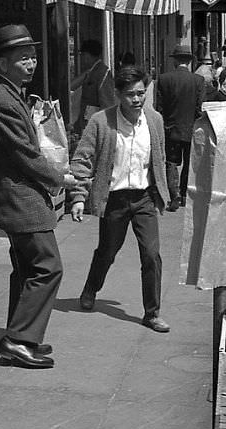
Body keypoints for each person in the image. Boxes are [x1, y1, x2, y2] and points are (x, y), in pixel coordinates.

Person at [0, 24, 68, 369]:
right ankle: (19, 339)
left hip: (21, 195)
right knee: (47, 266)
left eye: (32, 56)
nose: (31, 63)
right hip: (21, 198)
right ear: (3, 62)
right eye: (22, 57)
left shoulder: (11, 93)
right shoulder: (0, 100)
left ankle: (21, 334)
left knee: (28, 268)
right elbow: (26, 155)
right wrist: (62, 179)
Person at [70, 65, 171, 333]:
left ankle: (152, 313)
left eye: (141, 93)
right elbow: (82, 159)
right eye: (130, 94)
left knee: (151, 255)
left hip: (144, 198)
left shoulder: (154, 120)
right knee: (107, 251)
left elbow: (158, 158)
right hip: (114, 199)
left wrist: (164, 191)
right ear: (117, 94)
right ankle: (91, 288)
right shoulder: (101, 122)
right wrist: (79, 196)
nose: (137, 100)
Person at [155, 44, 205, 211]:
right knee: (189, 164)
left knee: (171, 162)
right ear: (189, 62)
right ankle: (184, 194)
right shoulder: (198, 81)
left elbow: (159, 108)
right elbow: (200, 108)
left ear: (175, 61)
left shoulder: (163, 79)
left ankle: (173, 194)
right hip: (191, 129)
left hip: (171, 128)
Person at [70, 38, 115, 134]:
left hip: (97, 123)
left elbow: (107, 102)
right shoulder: (91, 72)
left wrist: (106, 128)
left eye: (83, 55)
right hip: (88, 121)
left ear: (87, 55)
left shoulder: (103, 73)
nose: (82, 59)